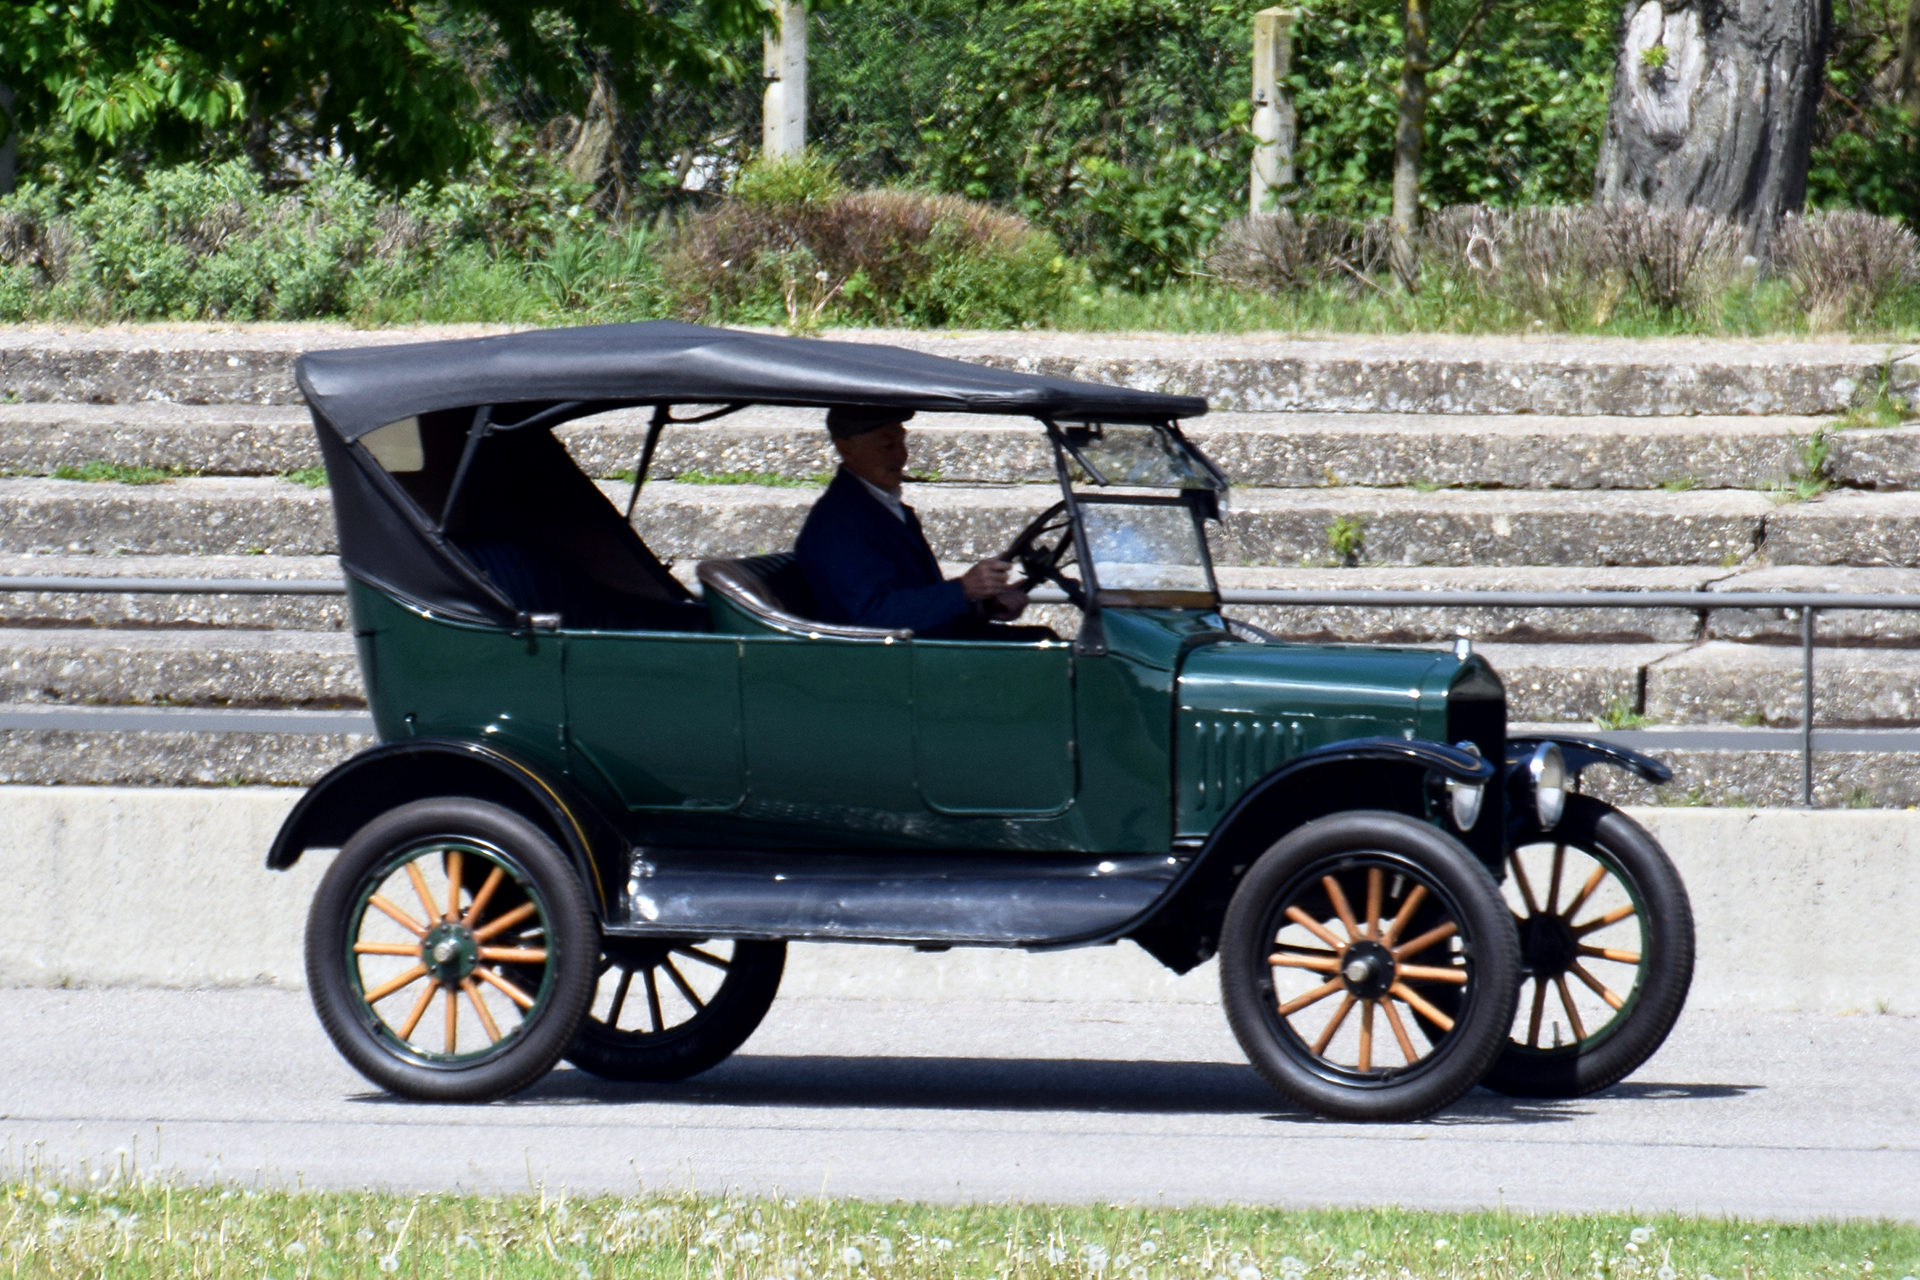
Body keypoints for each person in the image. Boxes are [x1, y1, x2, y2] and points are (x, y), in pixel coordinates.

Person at [795, 405, 1031, 636]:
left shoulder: (881, 510)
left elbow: (915, 602)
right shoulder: (840, 522)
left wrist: (983, 605)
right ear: (846, 449)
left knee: (1041, 640)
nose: (901, 455)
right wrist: (964, 589)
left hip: (918, 647)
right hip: (883, 661)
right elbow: (872, 616)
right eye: (887, 445)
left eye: (901, 442)